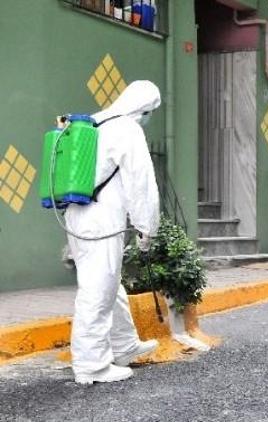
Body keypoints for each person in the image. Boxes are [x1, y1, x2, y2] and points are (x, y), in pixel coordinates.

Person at [65, 80, 162, 384]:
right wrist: (148, 228)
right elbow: (141, 182)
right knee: (97, 291)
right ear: (143, 108)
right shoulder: (128, 129)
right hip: (102, 221)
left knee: (109, 284)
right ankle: (91, 365)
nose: (148, 116)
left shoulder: (95, 121)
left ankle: (124, 346)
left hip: (77, 215)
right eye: (150, 111)